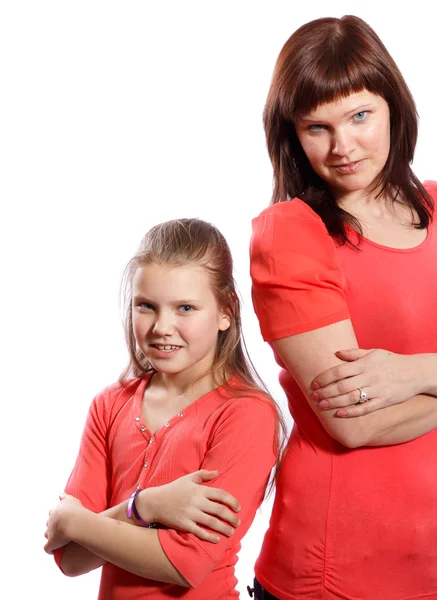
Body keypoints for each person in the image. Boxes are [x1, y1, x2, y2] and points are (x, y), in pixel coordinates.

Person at [248, 15, 437, 600]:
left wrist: (406, 372)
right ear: (293, 135)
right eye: (318, 127)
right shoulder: (290, 232)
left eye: (360, 116)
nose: (343, 147)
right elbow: (353, 424)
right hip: (326, 573)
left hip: (436, 567)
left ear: (393, 105)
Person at [44, 218, 283, 599]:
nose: (162, 327)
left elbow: (187, 563)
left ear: (226, 311)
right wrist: (145, 506)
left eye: (185, 307)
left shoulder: (246, 414)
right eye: (147, 306)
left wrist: (76, 521)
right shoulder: (109, 404)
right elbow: (70, 558)